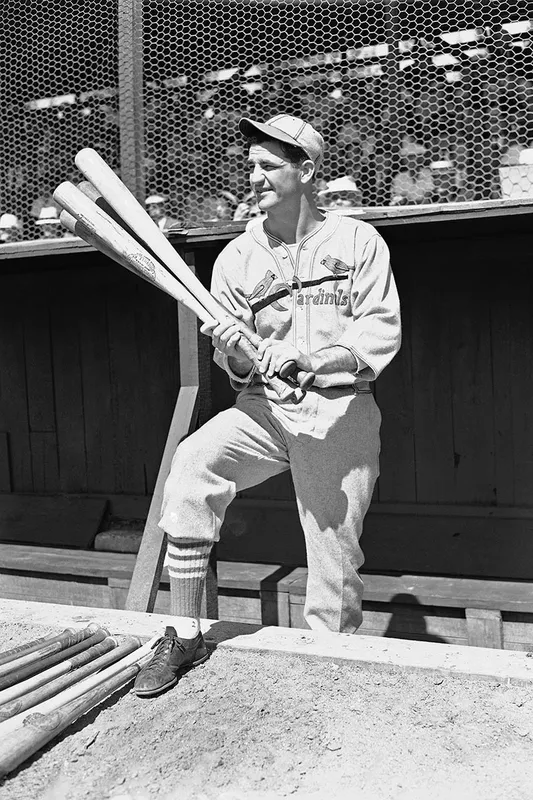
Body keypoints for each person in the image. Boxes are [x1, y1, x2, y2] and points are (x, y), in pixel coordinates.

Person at [134, 113, 401, 697]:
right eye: (249, 165)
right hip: (265, 409)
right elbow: (239, 368)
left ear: (306, 171)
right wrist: (234, 354)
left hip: (340, 413)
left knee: (334, 553)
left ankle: (329, 665)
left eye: (268, 165)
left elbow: (380, 332)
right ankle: (184, 632)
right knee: (193, 464)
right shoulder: (236, 258)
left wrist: (313, 360)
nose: (253, 175)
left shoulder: (357, 241)